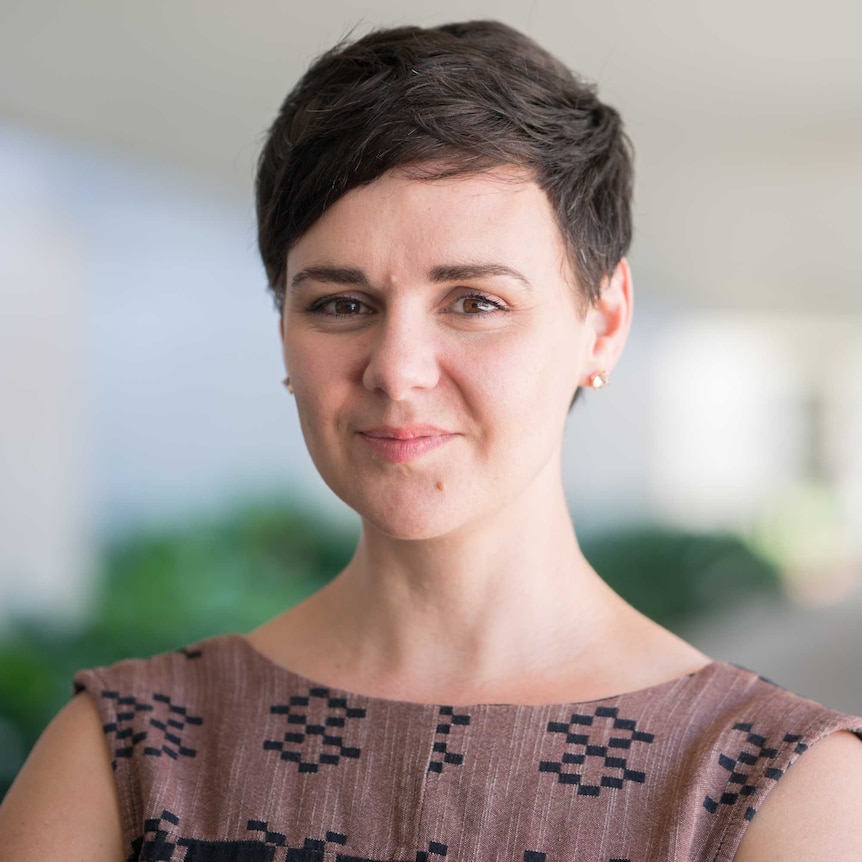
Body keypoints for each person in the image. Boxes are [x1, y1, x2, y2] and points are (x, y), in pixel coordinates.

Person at [1, 19, 861, 861]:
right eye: (340, 303)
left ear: (602, 324)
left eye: (475, 302)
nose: (398, 369)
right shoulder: (125, 760)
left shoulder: (774, 791)